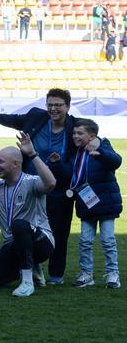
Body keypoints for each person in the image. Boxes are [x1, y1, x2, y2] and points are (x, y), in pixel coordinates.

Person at [0, 88, 75, 285]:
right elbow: (14, 119)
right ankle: (29, 267)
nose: (53, 108)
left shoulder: (74, 126)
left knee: (58, 232)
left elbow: (89, 138)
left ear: (67, 107)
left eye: (58, 105)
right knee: (24, 226)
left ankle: (56, 276)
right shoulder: (37, 117)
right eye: (50, 104)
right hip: (28, 182)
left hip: (59, 189)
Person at [0, 135, 57, 297]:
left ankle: (28, 282)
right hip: (14, 246)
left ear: (15, 164)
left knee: (19, 225)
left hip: (42, 242)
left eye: (0, 161)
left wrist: (33, 155)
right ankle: (25, 268)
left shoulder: (31, 181)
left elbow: (50, 183)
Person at [58, 119, 121, 289]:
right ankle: (86, 274)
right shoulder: (76, 154)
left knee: (108, 240)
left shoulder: (103, 145)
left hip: (106, 204)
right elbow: (68, 175)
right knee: (85, 241)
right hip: (86, 204)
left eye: (80, 133)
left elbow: (117, 161)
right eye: (74, 133)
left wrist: (100, 151)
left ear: (92, 135)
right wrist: (56, 163)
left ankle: (112, 274)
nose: (75, 136)